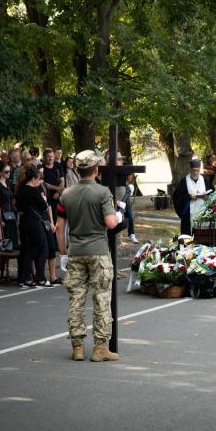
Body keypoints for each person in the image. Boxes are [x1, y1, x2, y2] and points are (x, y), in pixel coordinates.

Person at [55, 150, 123, 362]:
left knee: (76, 299)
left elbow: (59, 226)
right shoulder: (102, 193)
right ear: (95, 170)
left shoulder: (66, 194)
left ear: (77, 169)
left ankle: (77, 346)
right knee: (101, 299)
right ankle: (100, 347)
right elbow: (111, 223)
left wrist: (63, 254)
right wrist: (119, 214)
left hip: (75, 251)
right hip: (99, 252)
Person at [15, 164, 52, 287]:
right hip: (35, 223)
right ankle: (40, 277)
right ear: (33, 179)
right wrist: (43, 198)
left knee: (29, 250)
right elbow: (44, 206)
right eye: (38, 179)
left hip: (25, 222)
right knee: (43, 249)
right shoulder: (34, 190)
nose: (39, 182)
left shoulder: (21, 189)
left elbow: (19, 208)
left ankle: (25, 278)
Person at [172, 158, 212, 235]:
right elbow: (176, 196)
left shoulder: (205, 180)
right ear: (190, 169)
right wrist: (188, 197)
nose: (195, 172)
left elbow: (211, 193)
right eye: (193, 170)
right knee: (188, 234)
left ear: (199, 169)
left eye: (197, 170)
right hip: (188, 212)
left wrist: (207, 197)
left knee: (203, 231)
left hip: (202, 210)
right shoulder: (184, 181)